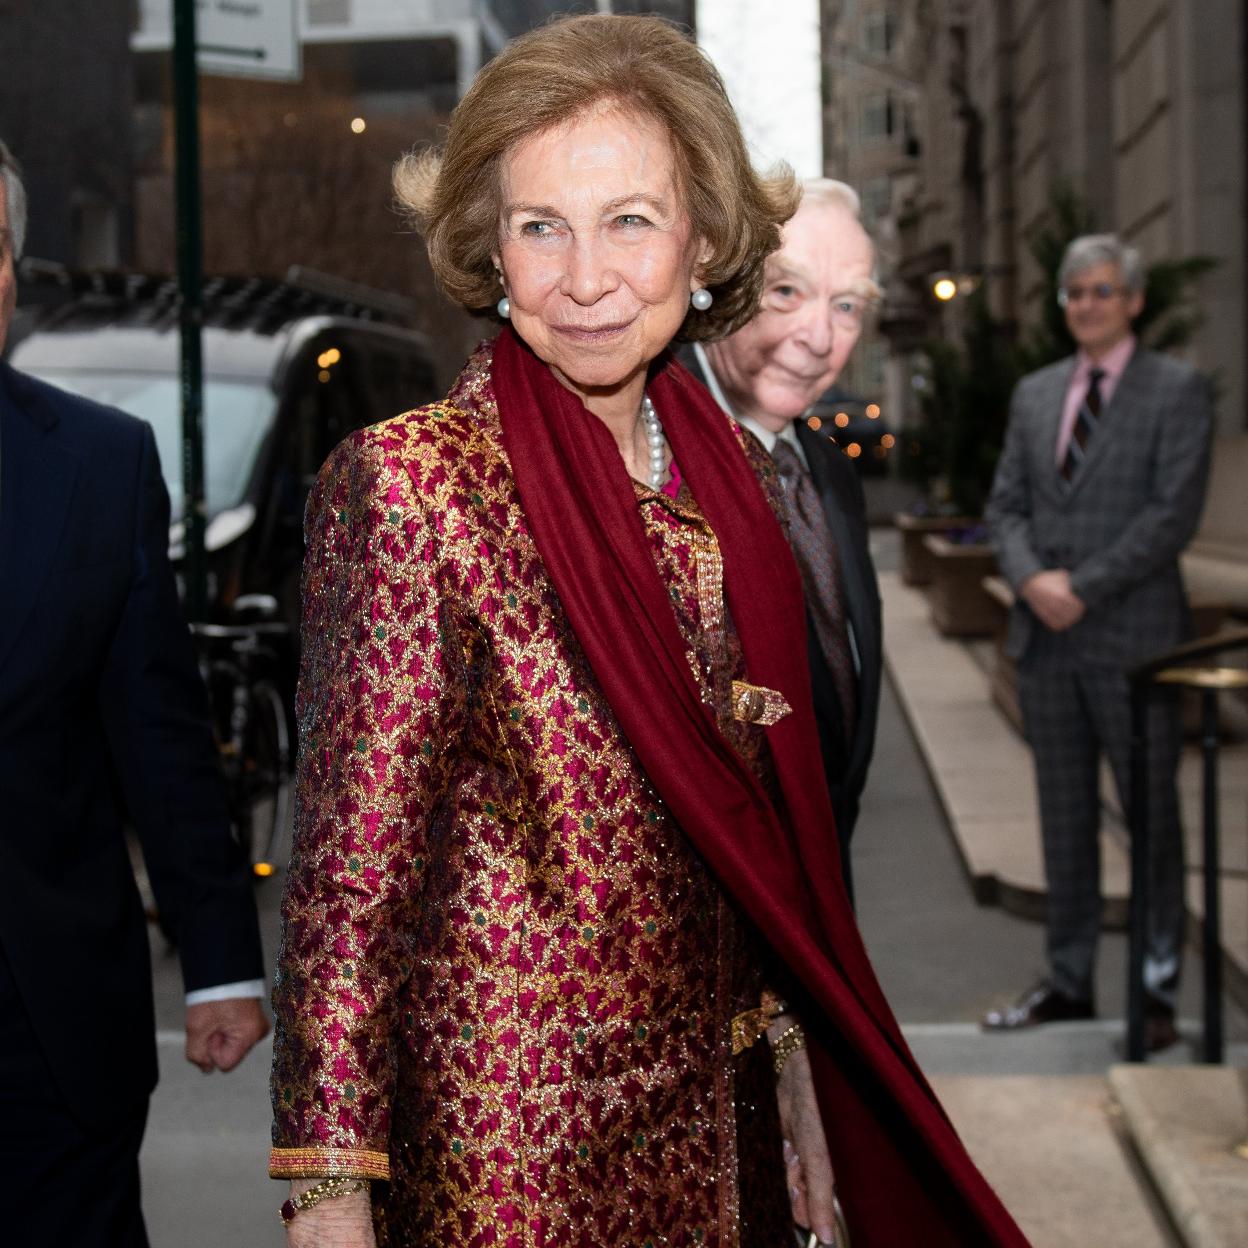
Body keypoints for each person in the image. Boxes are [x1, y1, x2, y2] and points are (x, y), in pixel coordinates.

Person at [269, 16, 1029, 1247]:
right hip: (510, 1165)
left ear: (709, 238)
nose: (584, 279)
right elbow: (350, 887)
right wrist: (328, 1198)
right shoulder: (415, 486)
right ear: (488, 245)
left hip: (725, 1144)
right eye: (539, 227)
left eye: (630, 219)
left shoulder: (731, 482)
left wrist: (794, 1069)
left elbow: (759, 854)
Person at [0, 139, 269, 1246]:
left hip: (51, 1040)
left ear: (14, 272)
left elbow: (158, 733)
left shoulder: (100, 465)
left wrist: (219, 965)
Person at [983, 233, 1213, 1051]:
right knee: (1064, 818)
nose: (1087, 304)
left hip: (1136, 643)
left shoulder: (1177, 391)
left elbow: (1171, 517)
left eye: (1103, 291)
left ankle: (1154, 994)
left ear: (1134, 300)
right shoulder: (1037, 394)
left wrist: (1081, 587)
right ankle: (1069, 982)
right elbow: (1004, 506)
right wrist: (1032, 579)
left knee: (1153, 822)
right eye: (1075, 292)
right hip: (1048, 645)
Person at [682, 179, 883, 901]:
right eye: (788, 293)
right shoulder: (650, 459)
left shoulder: (825, 470)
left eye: (848, 305)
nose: (821, 339)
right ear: (724, 284)